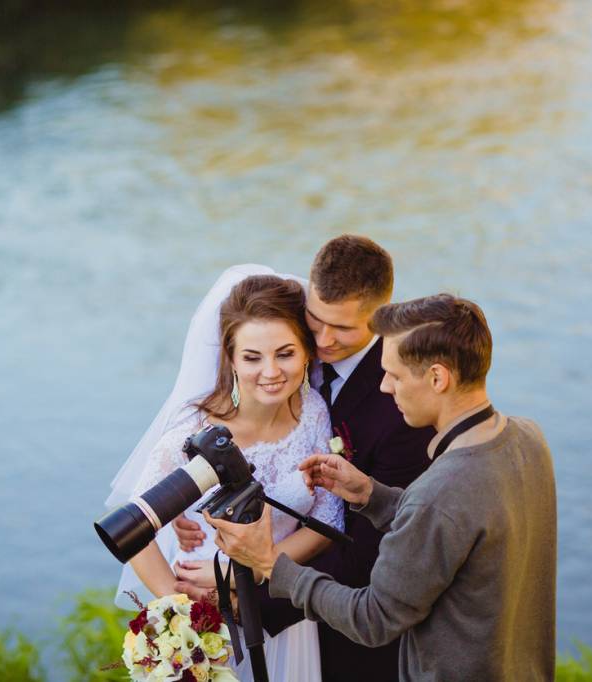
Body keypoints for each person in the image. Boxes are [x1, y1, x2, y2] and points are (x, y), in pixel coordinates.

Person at [205, 294, 558, 682]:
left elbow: (372, 619)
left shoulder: (439, 493)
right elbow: (455, 525)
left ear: (438, 378)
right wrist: (371, 494)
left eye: (394, 375)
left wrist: (271, 563)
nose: (386, 387)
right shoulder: (527, 438)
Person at [172, 235, 433, 682]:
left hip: (337, 630)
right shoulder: (287, 349)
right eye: (315, 319)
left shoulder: (403, 411)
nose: (324, 340)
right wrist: (186, 504)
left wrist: (244, 590)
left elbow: (370, 555)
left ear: (381, 318)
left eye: (344, 329)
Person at [106, 268, 343, 682]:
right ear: (231, 358)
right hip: (209, 620)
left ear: (307, 352)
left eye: (284, 353)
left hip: (284, 614)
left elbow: (327, 522)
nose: (270, 371)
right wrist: (179, 610)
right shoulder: (195, 431)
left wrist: (245, 572)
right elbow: (132, 528)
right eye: (252, 357)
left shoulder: (315, 415)